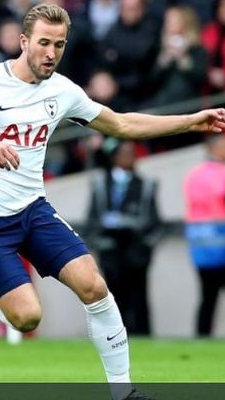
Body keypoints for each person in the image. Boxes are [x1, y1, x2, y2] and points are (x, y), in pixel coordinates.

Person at [0, 3, 225, 400]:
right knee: (26, 318)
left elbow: (121, 123)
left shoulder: (63, 91)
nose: (50, 53)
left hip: (33, 209)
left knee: (94, 285)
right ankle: (6, 300)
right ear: (24, 42)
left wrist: (191, 120)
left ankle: (123, 392)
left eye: (59, 45)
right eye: (43, 43)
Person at [86, 140, 161, 335]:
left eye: (132, 154)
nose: (130, 158)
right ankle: (114, 336)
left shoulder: (145, 185)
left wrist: (145, 243)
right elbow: (93, 218)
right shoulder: (101, 185)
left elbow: (154, 220)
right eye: (125, 154)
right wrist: (100, 241)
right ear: (115, 157)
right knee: (113, 297)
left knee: (139, 298)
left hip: (136, 250)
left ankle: (142, 336)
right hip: (111, 250)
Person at [183, 135, 225, 337]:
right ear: (214, 149)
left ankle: (202, 337)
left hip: (200, 246)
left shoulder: (193, 175)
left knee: (207, 297)